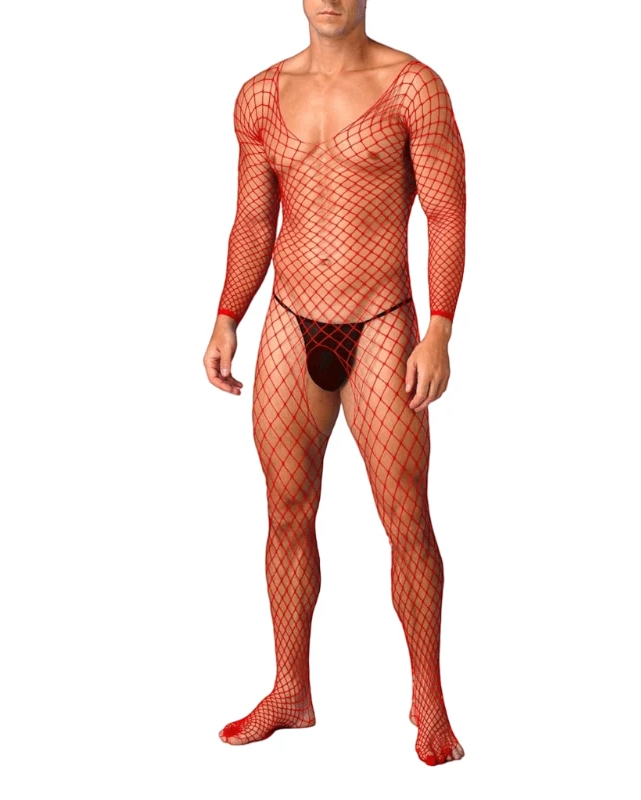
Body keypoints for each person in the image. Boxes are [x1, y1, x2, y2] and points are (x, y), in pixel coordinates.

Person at [204, 0, 466, 766]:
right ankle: (290, 689)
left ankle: (429, 700)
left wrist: (440, 330)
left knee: (406, 520)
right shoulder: (260, 95)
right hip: (290, 322)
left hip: (381, 323)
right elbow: (254, 222)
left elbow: (446, 213)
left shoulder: (413, 87)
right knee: (286, 512)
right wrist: (226, 315)